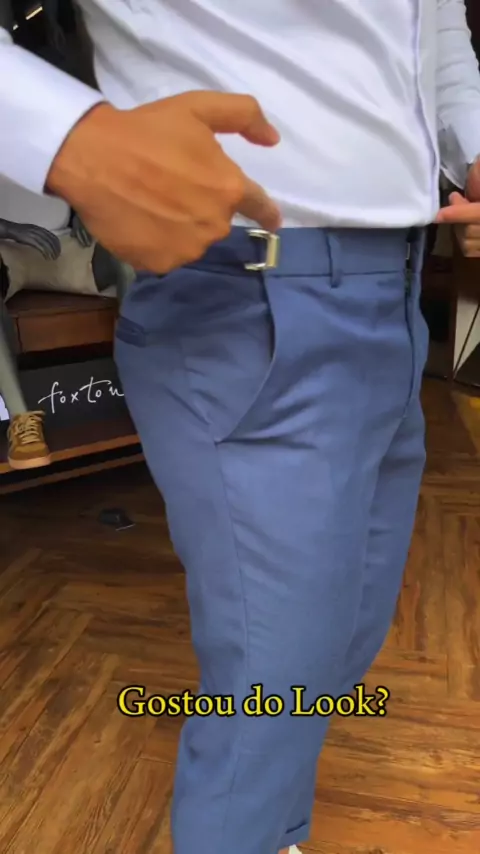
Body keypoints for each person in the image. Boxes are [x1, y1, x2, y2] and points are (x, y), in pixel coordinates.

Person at [2, 3, 480, 854]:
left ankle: (269, 835)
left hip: (396, 286)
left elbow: (434, 28)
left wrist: (473, 145)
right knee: (273, 676)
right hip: (252, 288)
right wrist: (63, 135)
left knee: (338, 640)